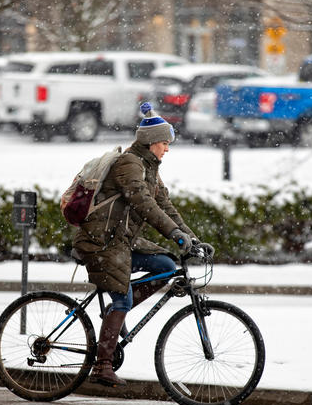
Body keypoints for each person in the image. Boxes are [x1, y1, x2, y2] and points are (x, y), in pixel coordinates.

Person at [72, 102, 213, 387]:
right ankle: (102, 365)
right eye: (164, 143)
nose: (167, 149)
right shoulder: (129, 165)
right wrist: (175, 235)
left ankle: (115, 310)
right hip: (101, 243)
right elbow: (144, 204)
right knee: (123, 298)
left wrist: (190, 237)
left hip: (121, 241)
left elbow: (164, 205)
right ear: (150, 142)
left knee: (165, 265)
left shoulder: (150, 168)